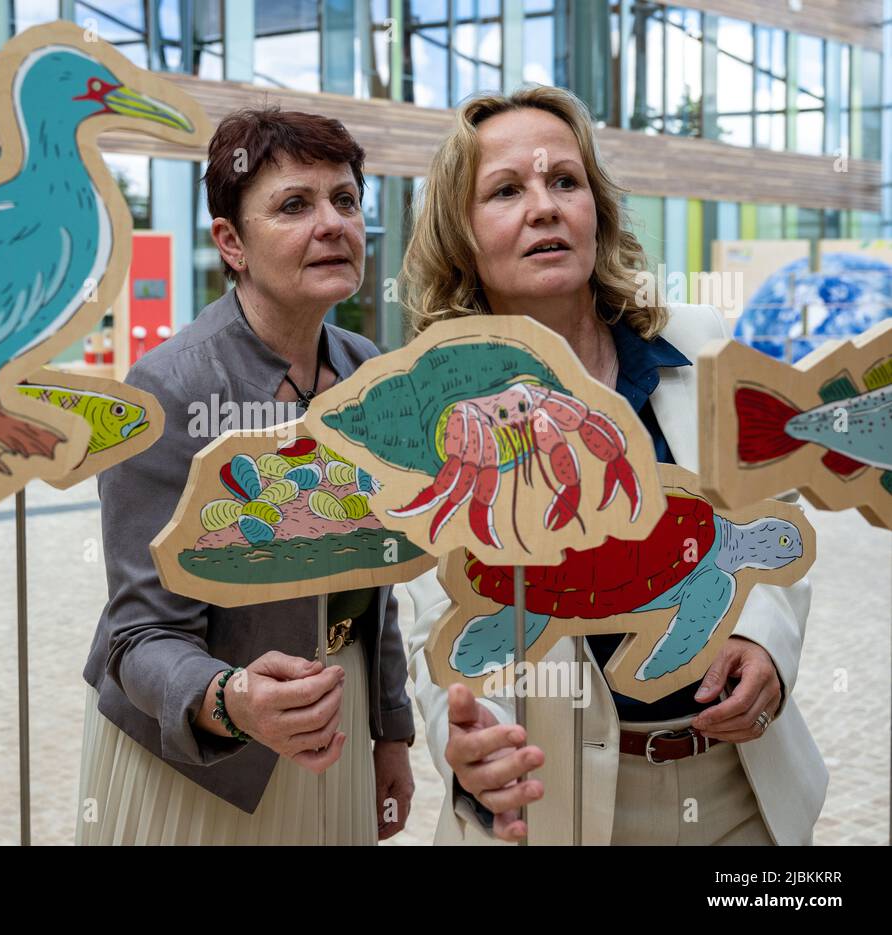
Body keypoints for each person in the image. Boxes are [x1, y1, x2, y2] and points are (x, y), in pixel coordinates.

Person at [402, 85, 825, 845]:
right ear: (461, 237)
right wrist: (473, 746)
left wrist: (765, 637)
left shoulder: (701, 344)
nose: (545, 207)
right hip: (557, 800)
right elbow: (441, 622)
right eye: (506, 190)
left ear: (596, 206)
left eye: (565, 181)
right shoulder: (443, 415)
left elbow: (776, 515)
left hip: (737, 794)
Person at [76, 106, 415, 845]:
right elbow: (138, 637)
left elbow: (378, 579)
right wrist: (232, 700)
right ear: (231, 242)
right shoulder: (166, 389)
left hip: (333, 726)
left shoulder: (371, 374)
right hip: (199, 758)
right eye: (295, 204)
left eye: (346, 200)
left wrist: (389, 729)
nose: (332, 223)